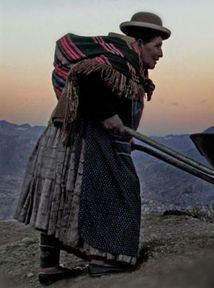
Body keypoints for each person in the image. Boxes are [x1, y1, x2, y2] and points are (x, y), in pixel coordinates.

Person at [14, 11, 170, 285]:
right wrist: (107, 114)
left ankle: (50, 267)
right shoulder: (119, 58)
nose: (160, 54)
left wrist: (121, 130)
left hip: (68, 135)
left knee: (59, 193)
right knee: (121, 189)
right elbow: (84, 77)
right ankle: (105, 259)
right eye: (157, 46)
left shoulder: (127, 63)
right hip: (80, 137)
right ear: (139, 42)